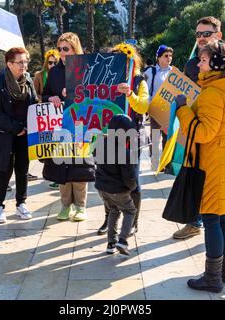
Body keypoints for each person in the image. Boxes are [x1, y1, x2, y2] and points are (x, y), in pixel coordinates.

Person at [175, 40, 225, 293]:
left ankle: (212, 277)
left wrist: (183, 110)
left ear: (216, 63)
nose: (199, 64)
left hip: (212, 163)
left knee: (212, 219)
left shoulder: (214, 93)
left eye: (203, 60)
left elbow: (204, 133)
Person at [97, 43, 150, 236]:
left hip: (131, 138)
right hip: (106, 138)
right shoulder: (104, 79)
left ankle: (133, 221)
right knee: (106, 180)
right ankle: (108, 219)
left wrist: (129, 93)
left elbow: (143, 107)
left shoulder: (139, 82)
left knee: (133, 181)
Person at [42, 32, 95, 222]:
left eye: (66, 49)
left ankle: (80, 206)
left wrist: (75, 94)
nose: (62, 53)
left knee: (80, 166)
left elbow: (94, 95)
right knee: (62, 167)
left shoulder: (86, 69)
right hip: (61, 126)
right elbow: (44, 95)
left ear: (75, 49)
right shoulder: (54, 71)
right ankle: (65, 205)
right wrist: (52, 98)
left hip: (81, 125)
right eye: (60, 49)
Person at [0, 47, 38, 223]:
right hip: (5, 135)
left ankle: (21, 203)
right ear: (9, 64)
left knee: (23, 170)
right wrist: (15, 127)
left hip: (25, 134)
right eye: (20, 62)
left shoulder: (28, 81)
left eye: (26, 61)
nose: (24, 65)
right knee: (4, 170)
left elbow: (33, 103)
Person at [95, 114, 139, 256]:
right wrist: (132, 187)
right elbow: (129, 177)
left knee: (113, 210)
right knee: (130, 210)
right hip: (117, 190)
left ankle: (111, 243)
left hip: (102, 188)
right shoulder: (125, 153)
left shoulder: (100, 144)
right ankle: (122, 240)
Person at [144, 45, 173, 172]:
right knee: (155, 138)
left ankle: (167, 164)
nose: (169, 58)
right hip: (155, 111)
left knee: (168, 138)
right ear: (159, 57)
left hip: (170, 112)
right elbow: (144, 90)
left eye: (170, 56)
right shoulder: (151, 72)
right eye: (166, 56)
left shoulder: (174, 72)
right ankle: (155, 165)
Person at [33, 49, 60, 186]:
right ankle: (51, 172)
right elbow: (35, 94)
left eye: (55, 62)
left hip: (59, 114)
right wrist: (45, 100)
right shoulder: (39, 75)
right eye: (50, 62)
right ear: (46, 63)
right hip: (44, 113)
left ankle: (57, 176)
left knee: (58, 144)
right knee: (47, 145)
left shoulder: (61, 74)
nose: (52, 65)